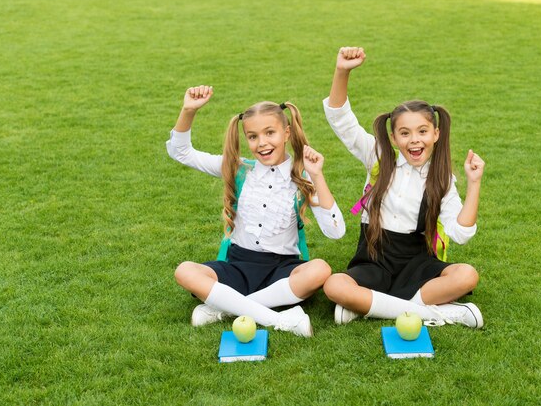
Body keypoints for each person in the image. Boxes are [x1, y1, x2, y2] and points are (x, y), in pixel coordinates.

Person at [322, 47, 485, 328]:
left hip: (417, 262)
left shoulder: (442, 179)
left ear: (436, 134)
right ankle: (434, 312)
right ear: (394, 138)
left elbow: (461, 234)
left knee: (467, 275)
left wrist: (474, 184)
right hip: (374, 258)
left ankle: (365, 306)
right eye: (405, 133)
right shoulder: (378, 157)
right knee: (334, 285)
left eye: (422, 131)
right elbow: (340, 119)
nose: (414, 140)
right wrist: (342, 71)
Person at [167, 85, 345, 337]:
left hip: (281, 271)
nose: (262, 143)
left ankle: (225, 309)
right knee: (185, 270)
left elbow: (336, 232)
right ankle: (278, 318)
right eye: (252, 136)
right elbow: (180, 152)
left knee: (320, 270)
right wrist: (188, 110)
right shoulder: (239, 169)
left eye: (269, 133)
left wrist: (317, 175)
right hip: (237, 266)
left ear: (286, 133)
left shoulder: (302, 177)